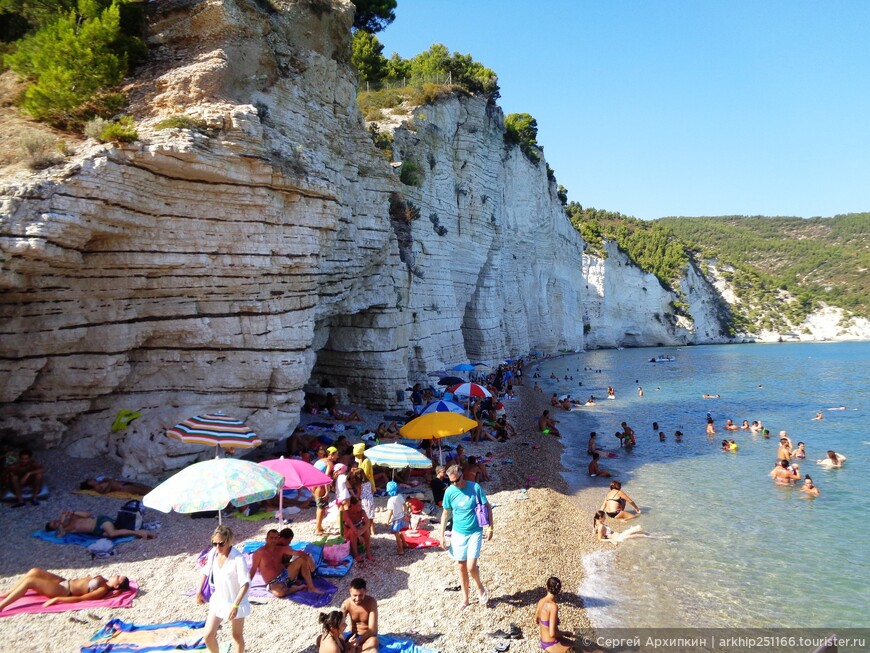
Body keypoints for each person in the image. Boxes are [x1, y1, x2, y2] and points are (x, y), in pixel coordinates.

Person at [440, 464, 492, 609]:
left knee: (471, 566)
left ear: (462, 475)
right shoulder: (450, 492)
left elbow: (487, 506)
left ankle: (479, 587)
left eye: (457, 480)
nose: (455, 484)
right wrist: (442, 535)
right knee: (461, 566)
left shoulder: (474, 487)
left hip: (475, 531)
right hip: (458, 533)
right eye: (452, 482)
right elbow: (445, 513)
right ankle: (465, 598)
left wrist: (490, 527)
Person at [197, 525, 251, 653]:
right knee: (208, 636)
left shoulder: (238, 558)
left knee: (236, 636)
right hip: (219, 599)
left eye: (220, 544)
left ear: (229, 541)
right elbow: (205, 571)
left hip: (236, 600)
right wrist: (199, 592)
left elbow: (245, 583)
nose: (217, 547)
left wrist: (235, 606)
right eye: (214, 543)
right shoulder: (213, 553)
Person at [0, 568, 129, 611]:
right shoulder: (104, 581)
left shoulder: (102, 589)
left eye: (118, 577)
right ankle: (8, 593)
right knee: (34, 571)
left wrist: (57, 598)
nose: (115, 575)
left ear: (116, 585)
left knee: (30, 581)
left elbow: (80, 598)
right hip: (63, 581)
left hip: (64, 590)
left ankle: (2, 606)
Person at [249, 529, 319, 596]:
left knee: (302, 560)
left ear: (278, 539)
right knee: (279, 592)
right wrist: (247, 584)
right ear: (266, 539)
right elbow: (253, 569)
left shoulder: (281, 549)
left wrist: (308, 558)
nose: (273, 540)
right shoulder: (259, 553)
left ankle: (311, 588)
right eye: (271, 538)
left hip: (285, 575)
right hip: (273, 582)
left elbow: (298, 553)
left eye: (276, 538)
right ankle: (296, 588)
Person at [45, 510, 156, 539]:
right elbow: (60, 535)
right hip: (96, 531)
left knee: (112, 533)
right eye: (54, 524)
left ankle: (139, 532)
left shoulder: (71, 516)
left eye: (54, 520)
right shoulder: (67, 529)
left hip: (100, 521)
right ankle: (137, 532)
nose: (55, 521)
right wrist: (61, 525)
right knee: (110, 535)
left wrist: (73, 512)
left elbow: (88, 514)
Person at [533, 576, 575, 652]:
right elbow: (552, 634)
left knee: (574, 643)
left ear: (546, 587)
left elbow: (536, 620)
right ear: (559, 590)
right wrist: (564, 633)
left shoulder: (541, 601)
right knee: (579, 648)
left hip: (543, 640)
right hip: (551, 643)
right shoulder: (553, 607)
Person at [341, 578, 379, 652]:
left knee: (374, 641)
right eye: (354, 595)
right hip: (353, 636)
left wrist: (357, 642)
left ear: (365, 591)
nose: (357, 598)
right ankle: (357, 649)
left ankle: (355, 649)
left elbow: (372, 630)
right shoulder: (346, 604)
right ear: (350, 592)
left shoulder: (371, 602)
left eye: (360, 595)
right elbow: (338, 623)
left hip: (367, 637)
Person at [384, 481, 407, 556]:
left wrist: (387, 521)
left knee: (396, 535)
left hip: (396, 519)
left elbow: (390, 511)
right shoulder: (400, 496)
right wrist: (405, 513)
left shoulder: (390, 500)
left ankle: (400, 550)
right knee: (399, 532)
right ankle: (404, 543)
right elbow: (405, 505)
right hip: (401, 517)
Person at [79, 478, 153, 495]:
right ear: (89, 484)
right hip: (122, 488)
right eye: (89, 481)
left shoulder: (100, 481)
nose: (91, 480)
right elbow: (104, 492)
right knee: (142, 491)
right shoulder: (96, 488)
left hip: (123, 483)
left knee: (144, 487)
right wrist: (110, 483)